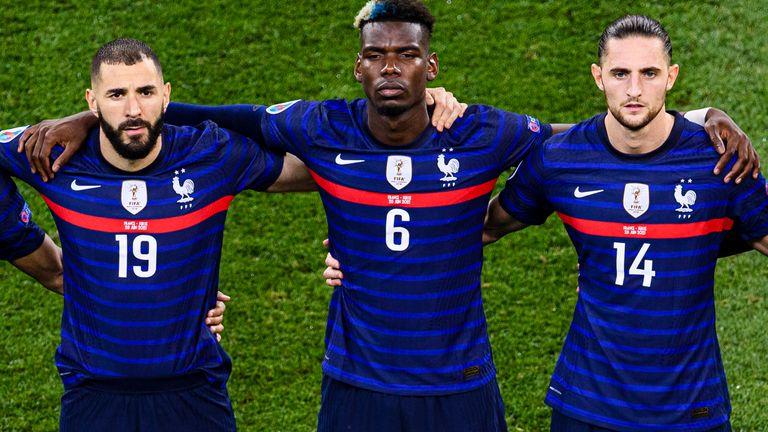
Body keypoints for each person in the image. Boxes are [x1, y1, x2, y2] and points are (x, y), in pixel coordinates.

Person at [18, 2, 757, 431]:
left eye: (409, 55)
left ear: (431, 68)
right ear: (360, 67)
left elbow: (586, 137)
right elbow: (224, 116)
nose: (393, 66)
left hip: (462, 383)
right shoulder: (320, 129)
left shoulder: (485, 133)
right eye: (379, 55)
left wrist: (697, 116)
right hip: (357, 385)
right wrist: (83, 122)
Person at [0, 38, 317, 431]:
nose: (133, 110)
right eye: (116, 95)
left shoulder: (211, 154)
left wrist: (404, 129)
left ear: (166, 96)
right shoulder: (54, 156)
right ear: (91, 101)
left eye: (146, 92)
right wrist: (26, 242)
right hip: (93, 397)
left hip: (194, 395)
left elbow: (317, 170)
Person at [482, 15, 768, 432]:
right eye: (620, 73)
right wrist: (355, 248)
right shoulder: (559, 159)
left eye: (649, 73)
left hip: (691, 408)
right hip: (586, 405)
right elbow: (483, 228)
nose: (634, 90)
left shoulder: (719, 160)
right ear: (599, 77)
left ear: (671, 77)